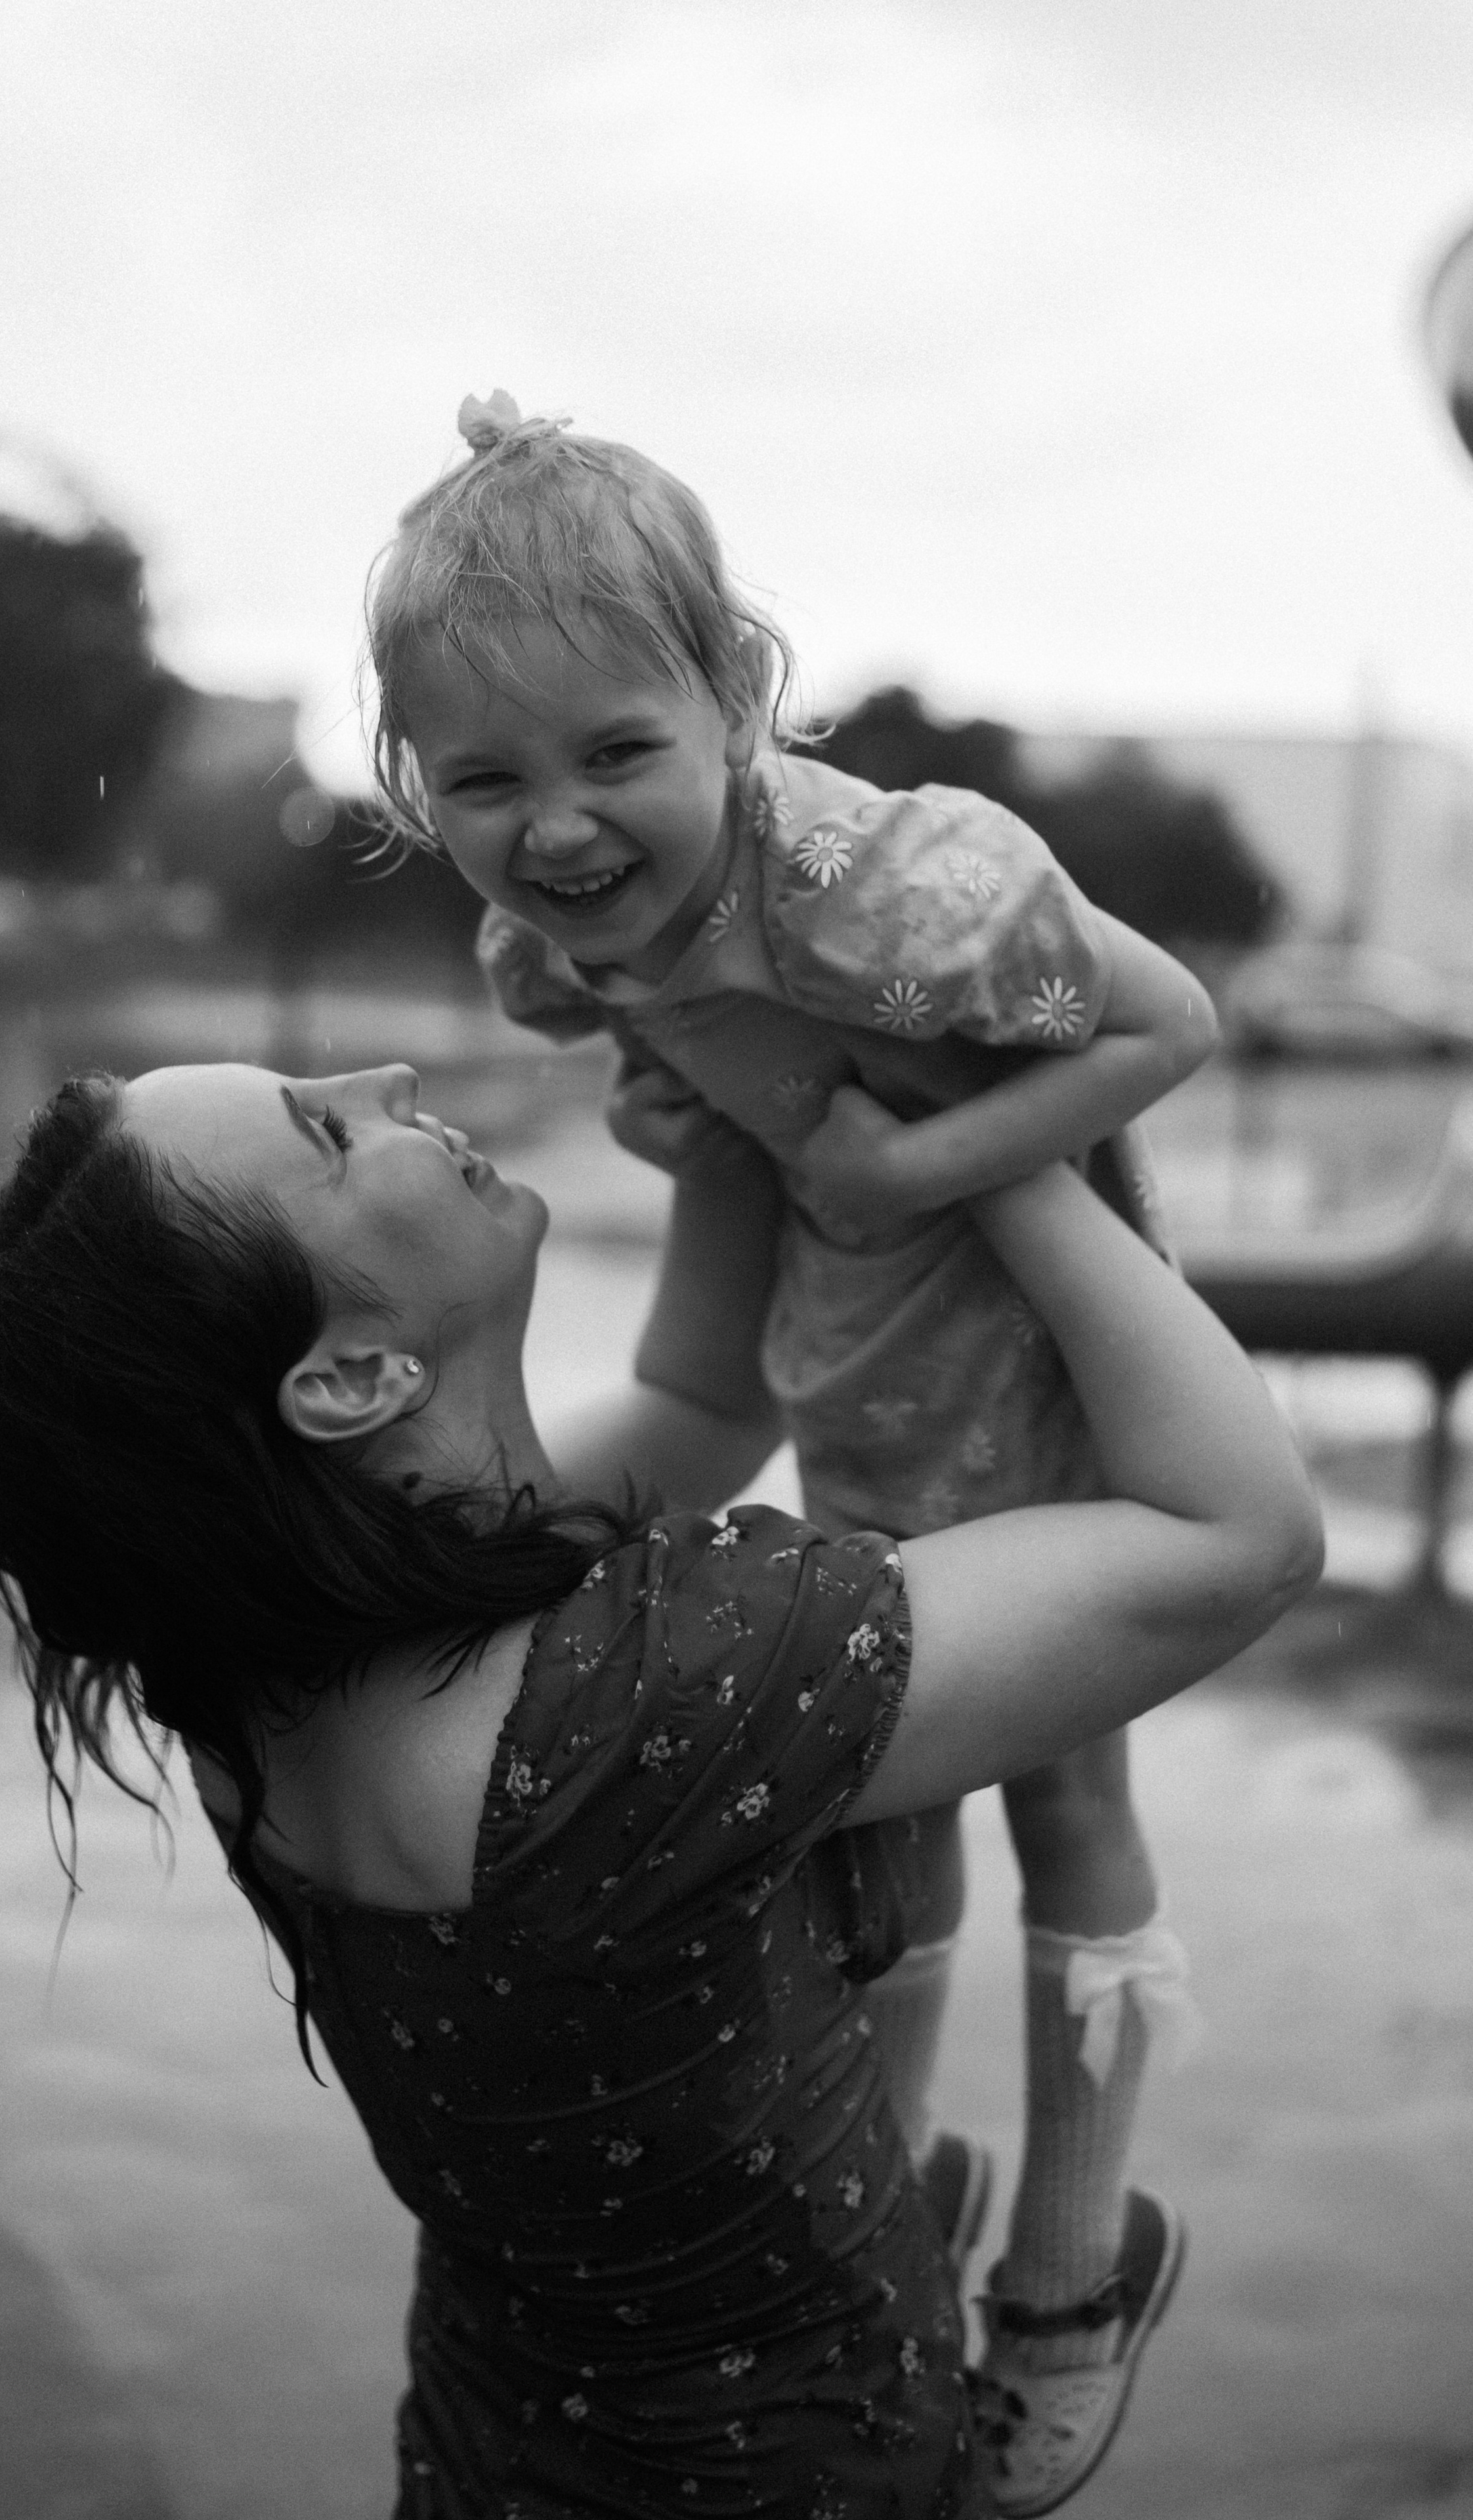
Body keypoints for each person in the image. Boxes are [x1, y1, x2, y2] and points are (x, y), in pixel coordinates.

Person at [0, 1057, 1321, 2518]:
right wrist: (993, 1155)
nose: (388, 1074)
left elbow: (696, 1405)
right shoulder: (652, 1699)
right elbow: (1236, 1536)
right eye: (329, 1132)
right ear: (349, 1377)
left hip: (508, 2457)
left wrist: (735, 1151)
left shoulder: (251, 1682)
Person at [362, 393, 1222, 2506]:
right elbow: (688, 1089)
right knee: (871, 1810)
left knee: (1065, 1798)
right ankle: (897, 2230)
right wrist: (703, 1114)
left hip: (1034, 1374)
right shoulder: (567, 943)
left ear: (738, 699)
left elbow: (1171, 1023)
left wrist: (906, 1157)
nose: (556, 826)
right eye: (485, 779)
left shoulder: (891, 886)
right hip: (858, 1382)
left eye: (614, 754)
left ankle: (1076, 2269)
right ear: (411, 783)